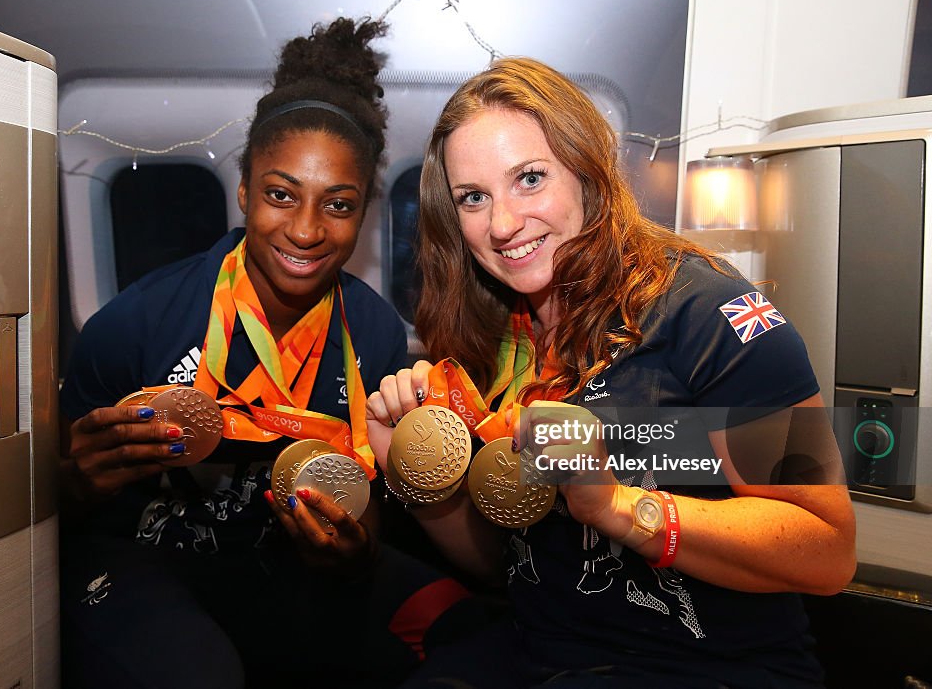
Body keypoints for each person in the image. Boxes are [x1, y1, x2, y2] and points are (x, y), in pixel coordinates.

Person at [365, 57, 857, 688]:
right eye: (474, 198)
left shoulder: (710, 315)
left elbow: (826, 551)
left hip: (707, 670)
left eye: (530, 179)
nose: (504, 224)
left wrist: (620, 507)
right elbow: (506, 566)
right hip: (544, 653)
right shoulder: (491, 341)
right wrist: (418, 478)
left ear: (586, 173)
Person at [59, 18, 479, 689]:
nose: (308, 230)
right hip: (143, 560)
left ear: (362, 212)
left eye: (337, 205)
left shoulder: (369, 332)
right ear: (246, 191)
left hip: (273, 555)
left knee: (471, 625)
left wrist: (352, 550)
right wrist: (72, 483)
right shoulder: (139, 321)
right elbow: (54, 507)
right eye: (282, 195)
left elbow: (359, 492)